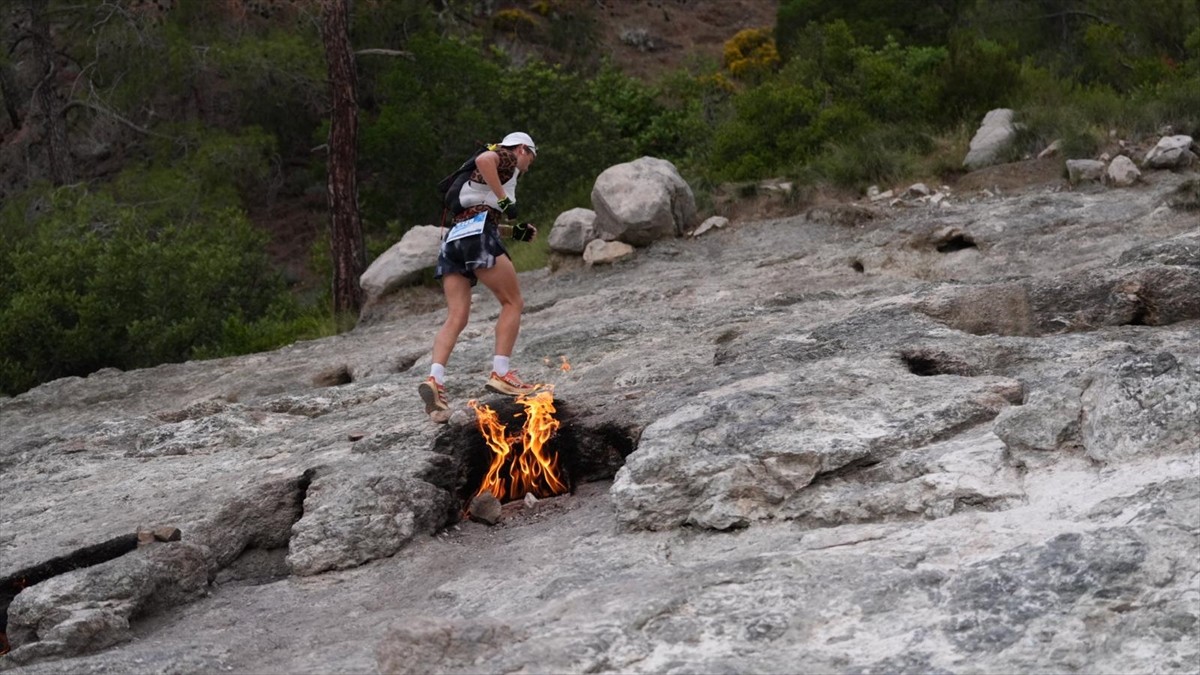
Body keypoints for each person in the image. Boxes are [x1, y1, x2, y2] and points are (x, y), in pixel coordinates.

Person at [419, 132, 541, 420]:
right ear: (523, 149)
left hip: (454, 241)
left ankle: (435, 379)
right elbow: (486, 158)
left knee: (456, 316)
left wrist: (513, 232)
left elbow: (476, 214)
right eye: (532, 158)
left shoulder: (478, 177)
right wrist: (505, 200)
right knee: (513, 302)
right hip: (475, 237)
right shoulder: (506, 156)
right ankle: (501, 373)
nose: (528, 165)